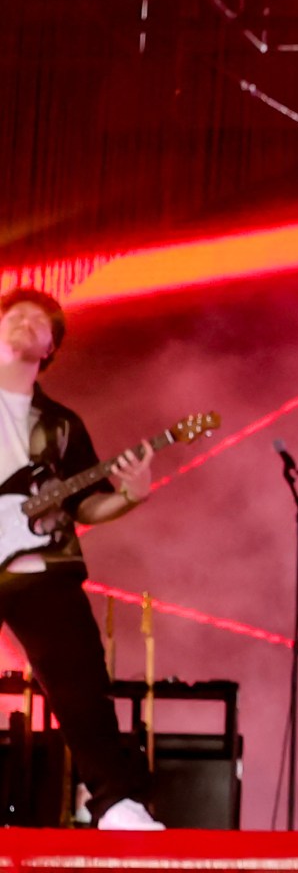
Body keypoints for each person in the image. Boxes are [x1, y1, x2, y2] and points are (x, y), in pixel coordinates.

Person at [0, 287, 162, 831]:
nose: (24, 322)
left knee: (82, 688)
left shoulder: (62, 423)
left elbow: (86, 503)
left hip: (43, 569)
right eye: (14, 314)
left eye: (38, 321)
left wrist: (132, 495)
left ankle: (116, 804)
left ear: (50, 347)